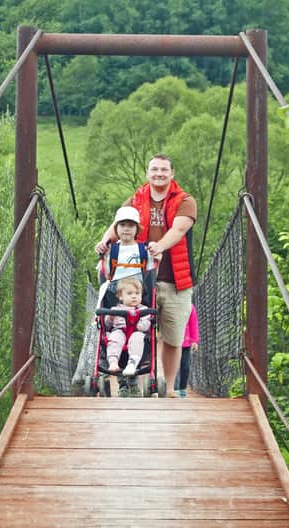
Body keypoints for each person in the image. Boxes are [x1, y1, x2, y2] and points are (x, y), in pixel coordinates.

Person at [95, 154, 196, 398]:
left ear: (172, 174)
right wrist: (105, 241)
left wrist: (159, 246)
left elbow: (179, 229)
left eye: (164, 170)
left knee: (172, 338)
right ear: (147, 173)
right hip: (137, 280)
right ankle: (137, 387)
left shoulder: (185, 201)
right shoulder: (136, 199)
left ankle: (170, 389)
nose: (159, 173)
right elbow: (119, 223)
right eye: (154, 169)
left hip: (175, 280)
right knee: (134, 328)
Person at [104, 277, 152, 376]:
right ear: (120, 296)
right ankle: (113, 361)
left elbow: (146, 325)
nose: (134, 296)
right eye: (130, 294)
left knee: (137, 338)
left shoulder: (144, 310)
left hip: (136, 331)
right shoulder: (115, 309)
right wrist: (111, 317)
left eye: (137, 293)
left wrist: (138, 324)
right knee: (114, 337)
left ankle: (132, 363)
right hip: (120, 330)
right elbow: (107, 325)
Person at [174, 304, 199, 398]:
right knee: (174, 367)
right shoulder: (169, 305)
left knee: (185, 367)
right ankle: (175, 389)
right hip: (172, 342)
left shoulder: (190, 307)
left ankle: (182, 388)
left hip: (185, 343)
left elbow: (193, 323)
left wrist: (194, 340)